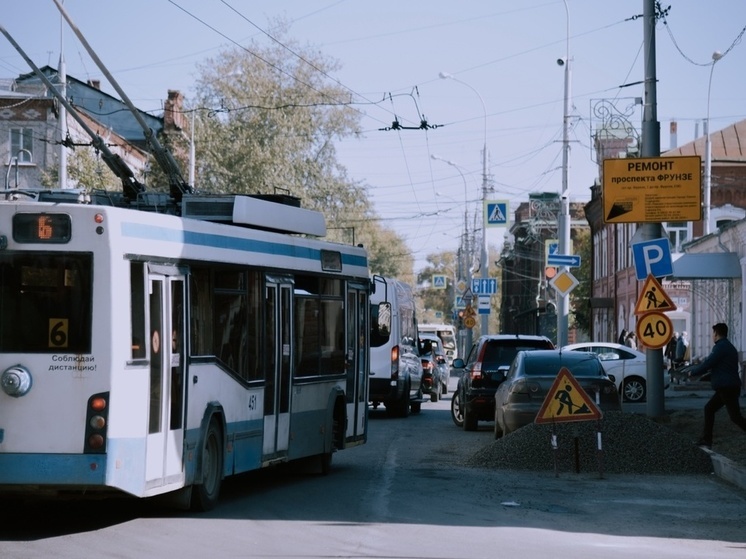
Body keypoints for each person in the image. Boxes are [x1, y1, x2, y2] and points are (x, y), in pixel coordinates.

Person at [687, 323, 746, 449]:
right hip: (727, 386)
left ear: (716, 334)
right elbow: (719, 367)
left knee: (735, 417)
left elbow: (708, 363)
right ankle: (706, 440)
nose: (712, 336)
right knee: (709, 409)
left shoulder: (720, 347)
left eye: (712, 334)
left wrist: (693, 372)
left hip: (727, 387)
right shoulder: (728, 346)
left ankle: (707, 439)